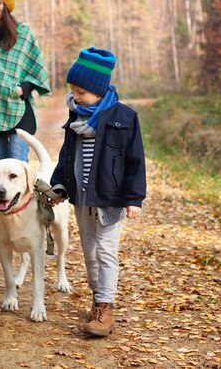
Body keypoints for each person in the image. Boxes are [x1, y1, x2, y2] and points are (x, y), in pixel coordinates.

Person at [50, 47, 146, 336]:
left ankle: (106, 307)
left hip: (110, 199)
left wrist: (134, 198)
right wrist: (59, 186)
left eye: (80, 92)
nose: (75, 97)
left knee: (105, 251)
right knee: (90, 252)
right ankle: (97, 299)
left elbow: (135, 160)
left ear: (98, 90)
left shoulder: (124, 117)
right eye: (73, 91)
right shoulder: (76, 117)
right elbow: (67, 155)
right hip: (82, 198)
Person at [0, 0, 51, 162]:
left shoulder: (23, 34)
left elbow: (36, 68)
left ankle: (24, 192)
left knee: (18, 166)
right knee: (0, 169)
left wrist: (22, 89)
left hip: (18, 108)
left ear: (6, 6)